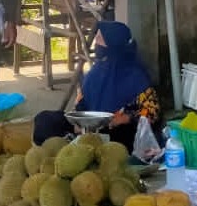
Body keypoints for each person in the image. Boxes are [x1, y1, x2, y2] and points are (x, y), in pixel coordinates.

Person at [32, 22, 160, 150]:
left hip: (114, 131)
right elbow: (81, 103)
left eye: (99, 40)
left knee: (120, 136)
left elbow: (152, 113)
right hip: (87, 126)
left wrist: (124, 118)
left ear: (112, 44)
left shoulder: (135, 76)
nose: (96, 44)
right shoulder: (96, 70)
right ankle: (74, 143)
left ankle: (80, 145)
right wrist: (78, 122)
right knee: (45, 120)